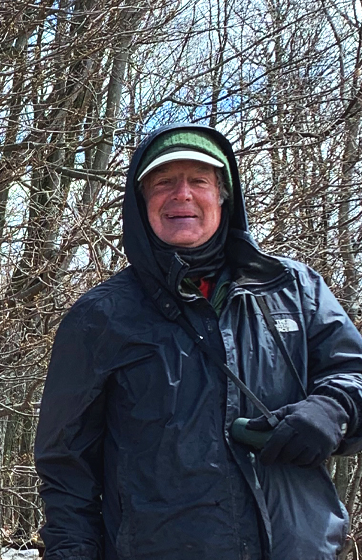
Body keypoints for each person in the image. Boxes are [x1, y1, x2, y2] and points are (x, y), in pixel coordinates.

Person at [34, 123, 362, 559]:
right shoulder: (100, 318)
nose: (182, 194)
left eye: (199, 181)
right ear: (141, 202)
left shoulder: (295, 289)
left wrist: (331, 410)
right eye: (164, 182)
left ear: (223, 196)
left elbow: (353, 373)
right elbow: (66, 466)